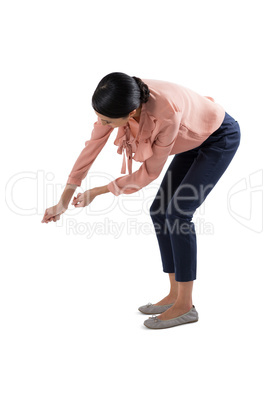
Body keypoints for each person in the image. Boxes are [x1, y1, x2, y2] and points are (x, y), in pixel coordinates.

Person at [41, 72, 241, 330]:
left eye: (107, 121)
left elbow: (149, 173)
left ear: (132, 112)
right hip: (190, 139)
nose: (101, 123)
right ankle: (173, 294)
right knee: (159, 211)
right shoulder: (117, 101)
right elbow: (90, 148)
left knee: (178, 214)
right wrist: (63, 201)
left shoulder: (165, 113)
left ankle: (186, 305)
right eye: (99, 117)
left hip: (218, 137)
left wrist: (98, 191)